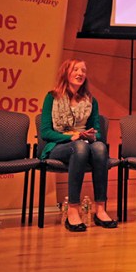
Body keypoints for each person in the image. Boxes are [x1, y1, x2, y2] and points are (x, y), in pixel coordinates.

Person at [40, 59, 118, 231]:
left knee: (100, 147)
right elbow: (45, 132)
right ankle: (73, 210)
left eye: (83, 70)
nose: (80, 73)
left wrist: (89, 135)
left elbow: (97, 131)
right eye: (75, 69)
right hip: (58, 145)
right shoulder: (51, 97)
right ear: (65, 73)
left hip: (84, 143)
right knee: (80, 147)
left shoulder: (91, 100)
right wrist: (72, 136)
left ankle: (100, 209)